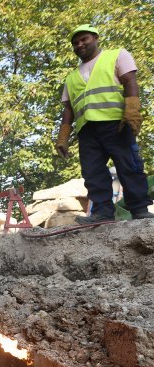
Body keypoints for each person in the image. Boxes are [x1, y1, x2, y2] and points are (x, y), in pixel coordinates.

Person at [55, 24, 153, 224]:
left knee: (129, 165)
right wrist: (63, 136)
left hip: (116, 123)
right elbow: (69, 109)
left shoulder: (116, 55)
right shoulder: (71, 77)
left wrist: (132, 109)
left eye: (84, 39)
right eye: (75, 43)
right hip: (87, 131)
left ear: (96, 38)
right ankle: (102, 213)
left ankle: (140, 209)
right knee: (93, 173)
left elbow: (130, 81)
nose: (80, 44)